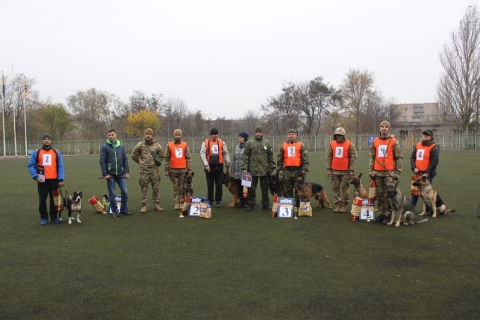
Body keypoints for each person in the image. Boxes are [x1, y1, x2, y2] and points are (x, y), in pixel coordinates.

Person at [369, 121, 403, 224]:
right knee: (379, 194)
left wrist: (397, 172)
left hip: (389, 173)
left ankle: (388, 215)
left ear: (389, 129)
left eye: (386, 127)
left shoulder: (394, 141)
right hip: (378, 172)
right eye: (382, 127)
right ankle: (382, 213)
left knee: (389, 194)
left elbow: (399, 158)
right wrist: (371, 170)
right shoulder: (375, 141)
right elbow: (372, 157)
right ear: (379, 129)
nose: (384, 128)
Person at [28, 133, 65, 225]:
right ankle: (44, 217)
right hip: (42, 180)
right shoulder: (37, 152)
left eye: (48, 139)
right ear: (42, 140)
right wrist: (35, 176)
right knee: (42, 199)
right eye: (45, 139)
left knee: (54, 200)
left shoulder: (56, 152)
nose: (46, 140)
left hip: (54, 180)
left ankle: (54, 217)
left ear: (51, 141)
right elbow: (31, 165)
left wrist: (60, 179)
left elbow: (60, 166)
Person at [242, 126, 276, 211]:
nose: (258, 133)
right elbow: (246, 155)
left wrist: (271, 166)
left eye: (260, 132)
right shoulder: (250, 142)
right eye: (256, 132)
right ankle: (251, 204)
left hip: (264, 170)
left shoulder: (266, 142)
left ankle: (265, 204)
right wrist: (245, 167)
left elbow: (270, 155)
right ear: (254, 133)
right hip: (252, 169)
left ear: (262, 133)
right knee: (252, 188)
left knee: (265, 188)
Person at [132, 128, 165, 213]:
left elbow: (162, 155)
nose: (148, 135)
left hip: (154, 171)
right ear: (144, 135)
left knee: (156, 188)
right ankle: (144, 205)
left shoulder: (157, 145)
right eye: (146, 134)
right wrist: (140, 162)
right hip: (144, 171)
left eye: (150, 134)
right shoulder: (140, 145)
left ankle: (156, 205)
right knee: (144, 188)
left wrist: (157, 161)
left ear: (152, 135)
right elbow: (133, 155)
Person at [100, 128, 131, 217]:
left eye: (112, 135)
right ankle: (115, 211)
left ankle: (124, 210)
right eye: (109, 135)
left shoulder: (121, 146)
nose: (111, 136)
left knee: (124, 191)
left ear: (116, 135)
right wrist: (105, 174)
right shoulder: (104, 147)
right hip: (111, 175)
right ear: (107, 136)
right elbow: (102, 161)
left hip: (121, 174)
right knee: (112, 193)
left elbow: (125, 159)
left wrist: (127, 171)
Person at [326, 127, 357, 214]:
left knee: (345, 188)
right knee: (335, 187)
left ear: (343, 136)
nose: (338, 137)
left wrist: (352, 170)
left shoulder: (349, 144)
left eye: (340, 135)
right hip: (334, 170)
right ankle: (338, 203)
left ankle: (344, 204)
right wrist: (329, 169)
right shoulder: (332, 144)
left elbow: (353, 157)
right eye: (336, 135)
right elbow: (329, 156)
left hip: (345, 171)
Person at [277, 129, 309, 208]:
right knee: (287, 189)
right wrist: (280, 169)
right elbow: (279, 158)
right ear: (287, 136)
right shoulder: (283, 145)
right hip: (287, 170)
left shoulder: (301, 144)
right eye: (289, 134)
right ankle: (289, 206)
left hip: (298, 170)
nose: (291, 136)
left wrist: (304, 169)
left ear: (296, 135)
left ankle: (299, 205)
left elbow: (305, 158)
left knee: (299, 188)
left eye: (293, 134)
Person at [200, 128, 230, 208]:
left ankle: (218, 200)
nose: (216, 135)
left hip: (219, 166)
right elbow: (202, 154)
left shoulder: (221, 142)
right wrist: (206, 165)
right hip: (209, 167)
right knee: (210, 185)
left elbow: (225, 153)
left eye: (217, 134)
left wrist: (227, 161)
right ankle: (210, 200)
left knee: (219, 184)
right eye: (214, 134)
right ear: (210, 135)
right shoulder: (205, 142)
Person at [410, 129, 439, 208]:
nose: (425, 136)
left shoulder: (434, 146)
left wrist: (427, 172)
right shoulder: (418, 144)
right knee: (415, 192)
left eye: (427, 135)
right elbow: (412, 157)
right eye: (424, 135)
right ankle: (411, 208)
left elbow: (434, 161)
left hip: (427, 174)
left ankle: (430, 209)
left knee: (427, 193)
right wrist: (414, 167)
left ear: (431, 137)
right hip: (417, 172)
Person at [164, 129, 192, 210]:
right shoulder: (169, 145)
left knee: (182, 187)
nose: (177, 136)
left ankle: (181, 202)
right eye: (176, 135)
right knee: (175, 187)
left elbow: (188, 157)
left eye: (178, 135)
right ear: (173, 135)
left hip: (183, 170)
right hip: (172, 170)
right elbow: (166, 158)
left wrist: (189, 169)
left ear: (181, 136)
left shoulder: (185, 145)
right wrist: (166, 170)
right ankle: (176, 203)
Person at [231, 131, 249, 208]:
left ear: (245, 138)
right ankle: (241, 201)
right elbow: (234, 159)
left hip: (245, 171)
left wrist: (247, 169)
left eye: (241, 138)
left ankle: (246, 202)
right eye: (239, 138)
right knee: (239, 187)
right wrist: (232, 170)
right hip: (237, 171)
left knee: (245, 187)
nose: (239, 139)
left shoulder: (248, 147)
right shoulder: (237, 147)